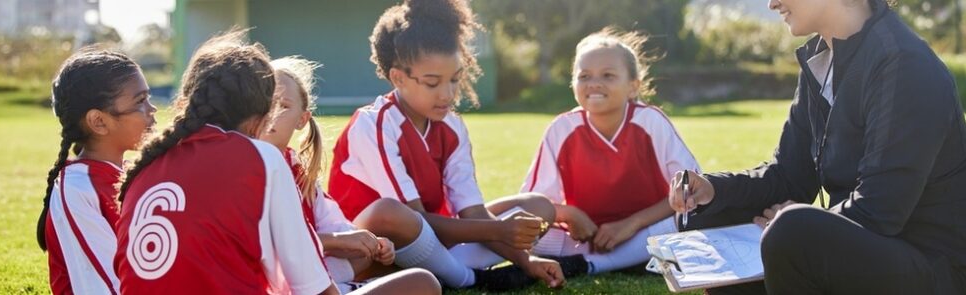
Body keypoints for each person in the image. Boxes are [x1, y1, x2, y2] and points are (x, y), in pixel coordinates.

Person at [669, 0, 966, 294]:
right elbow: (790, 176)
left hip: (938, 267)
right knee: (711, 217)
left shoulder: (903, 62)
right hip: (873, 250)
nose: (772, 3)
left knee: (792, 231)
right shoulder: (821, 58)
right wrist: (713, 188)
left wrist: (790, 223)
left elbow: (880, 211)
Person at [327, 0, 565, 291]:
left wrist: (527, 260)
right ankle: (470, 278)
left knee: (539, 208)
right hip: (374, 248)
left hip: (432, 241)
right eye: (432, 83)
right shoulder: (373, 124)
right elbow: (410, 219)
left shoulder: (452, 126)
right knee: (392, 213)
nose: (448, 94)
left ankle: (446, 269)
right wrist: (500, 229)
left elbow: (472, 212)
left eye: (454, 80)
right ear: (398, 78)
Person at [113, 30, 336, 294]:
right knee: (397, 284)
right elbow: (314, 288)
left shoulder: (146, 165)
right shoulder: (261, 159)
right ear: (264, 118)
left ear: (186, 103)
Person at [520, 27, 700, 277]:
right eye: (584, 76)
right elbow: (532, 204)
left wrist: (632, 224)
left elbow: (690, 190)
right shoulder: (562, 129)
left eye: (608, 75)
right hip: (586, 236)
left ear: (633, 87)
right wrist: (571, 215)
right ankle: (627, 259)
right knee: (523, 226)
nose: (594, 83)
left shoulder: (650, 121)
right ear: (573, 83)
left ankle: (591, 265)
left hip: (646, 230)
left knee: (691, 217)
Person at [261, 55, 440, 294]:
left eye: (283, 106)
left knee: (374, 257)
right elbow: (274, 245)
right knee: (422, 283)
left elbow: (331, 222)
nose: (272, 114)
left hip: (314, 275)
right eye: (266, 103)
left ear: (302, 120)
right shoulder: (247, 169)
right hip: (279, 282)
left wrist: (363, 240)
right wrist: (335, 241)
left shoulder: (298, 169)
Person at [36, 48, 157, 294]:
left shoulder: (132, 174)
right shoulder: (76, 188)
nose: (152, 109)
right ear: (99, 122)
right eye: (140, 101)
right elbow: (106, 286)